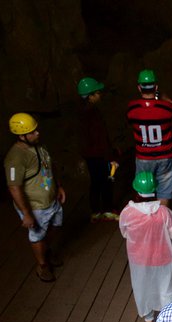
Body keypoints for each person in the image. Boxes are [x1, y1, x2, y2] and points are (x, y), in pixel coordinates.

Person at [4, 112, 67, 282]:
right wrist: (26, 213)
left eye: (36, 130)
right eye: (32, 132)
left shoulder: (39, 146)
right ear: (21, 135)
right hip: (36, 206)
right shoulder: (15, 158)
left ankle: (46, 251)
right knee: (37, 235)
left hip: (51, 200)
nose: (37, 133)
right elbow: (14, 187)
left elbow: (50, 165)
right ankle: (42, 265)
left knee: (55, 226)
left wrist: (58, 186)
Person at [119, 171, 172, 322]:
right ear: (155, 191)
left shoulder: (127, 213)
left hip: (139, 260)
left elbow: (124, 233)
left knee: (143, 288)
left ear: (135, 191)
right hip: (164, 258)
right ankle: (168, 321)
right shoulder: (164, 213)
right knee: (167, 288)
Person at [126, 69, 172, 206]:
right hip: (165, 157)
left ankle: (146, 221)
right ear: (156, 87)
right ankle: (162, 222)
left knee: (144, 190)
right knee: (164, 192)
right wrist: (166, 99)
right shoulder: (166, 108)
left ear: (139, 88)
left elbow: (129, 121)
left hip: (144, 158)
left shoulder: (132, 108)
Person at [77, 76, 119, 222]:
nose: (100, 94)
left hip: (90, 156)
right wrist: (111, 157)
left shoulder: (82, 113)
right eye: (97, 92)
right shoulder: (92, 114)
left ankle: (95, 212)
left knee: (96, 182)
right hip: (101, 155)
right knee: (108, 180)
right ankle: (107, 210)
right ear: (90, 96)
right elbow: (100, 138)